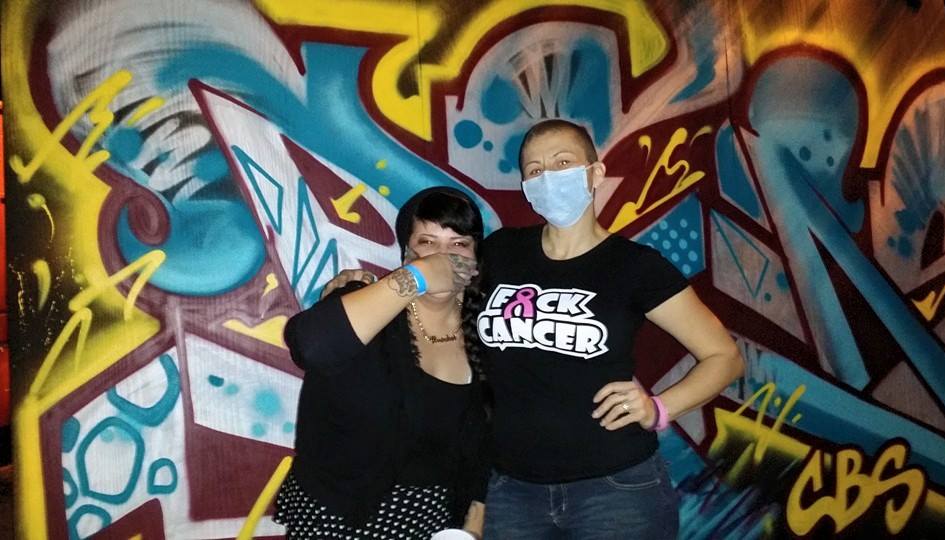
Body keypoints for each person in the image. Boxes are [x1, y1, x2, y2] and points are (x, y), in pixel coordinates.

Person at [478, 119, 745, 539]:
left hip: (615, 490)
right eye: (535, 170)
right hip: (512, 490)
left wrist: (659, 409)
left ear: (595, 172)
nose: (548, 177)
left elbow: (724, 357)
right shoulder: (501, 251)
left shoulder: (635, 266)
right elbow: (445, 296)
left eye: (562, 163)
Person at [274, 187, 489, 539]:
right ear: (406, 254)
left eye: (459, 244)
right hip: (340, 518)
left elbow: (487, 441)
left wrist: (475, 522)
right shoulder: (364, 306)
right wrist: (419, 276)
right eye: (427, 243)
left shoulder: (486, 331)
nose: (443, 258)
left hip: (436, 525)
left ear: (476, 258)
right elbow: (310, 345)